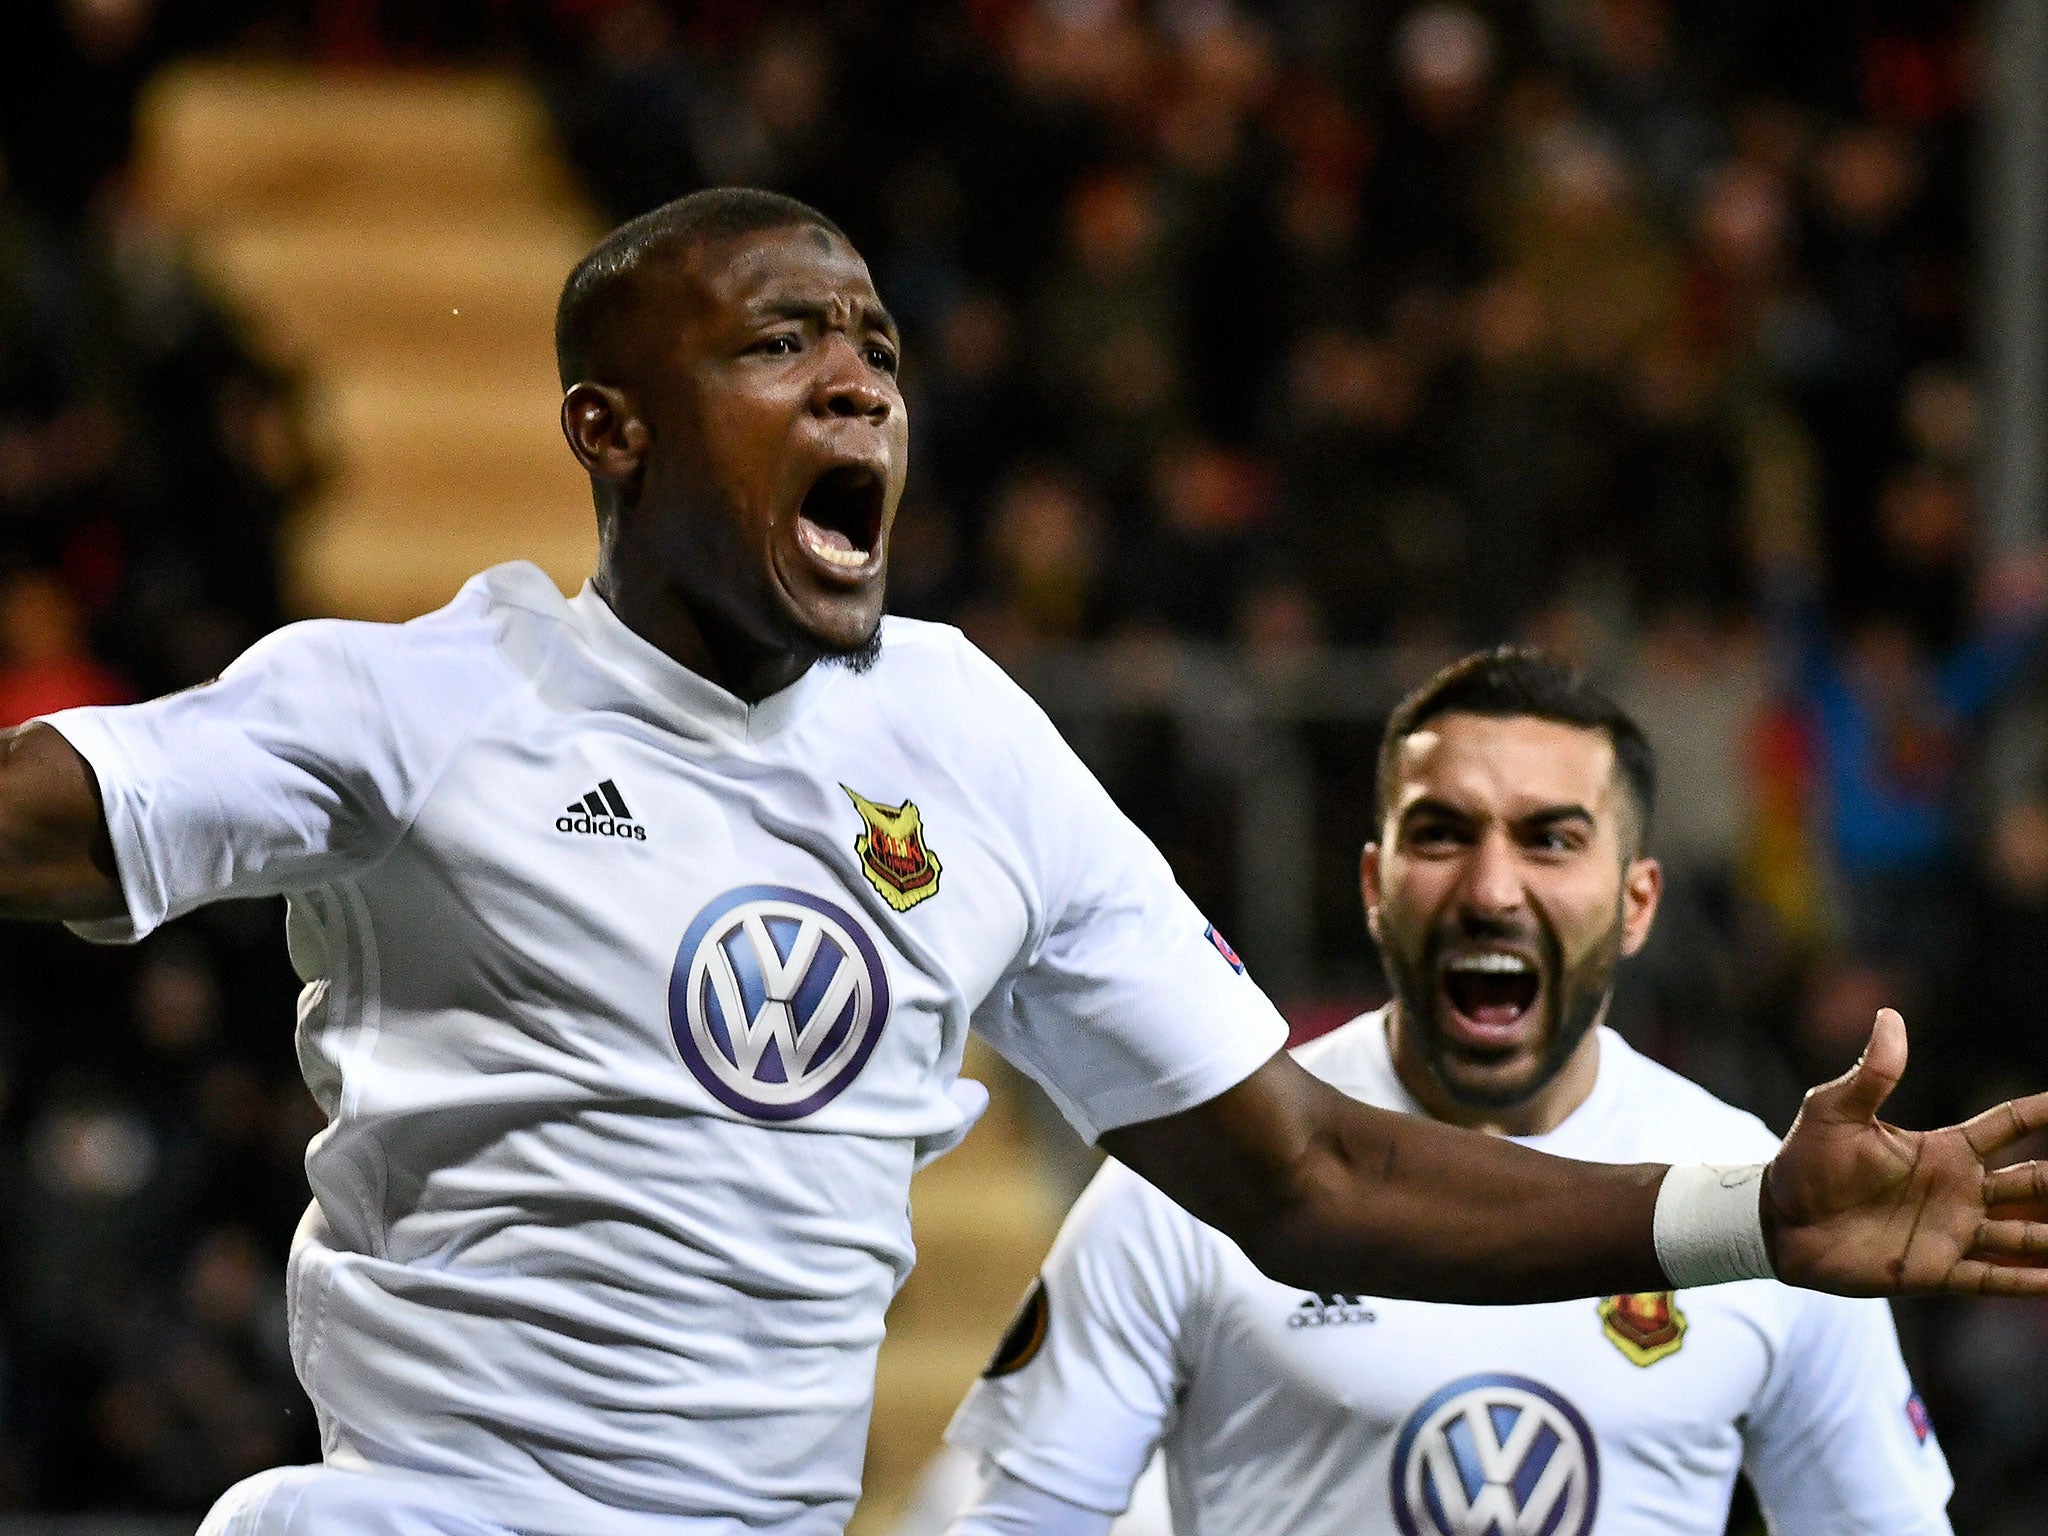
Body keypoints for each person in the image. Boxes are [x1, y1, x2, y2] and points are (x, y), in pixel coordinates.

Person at [0, 189, 2035, 1535]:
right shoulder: (419, 704)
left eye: (873, 339)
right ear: (607, 430)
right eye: (777, 342)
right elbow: (44, 807)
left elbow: (1312, 1174)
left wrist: (1747, 1213)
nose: (857, 377)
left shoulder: (964, 740)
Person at [922, 649, 1954, 1536]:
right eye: (1441, 834)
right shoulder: (1200, 1175)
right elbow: (1020, 1519)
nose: (1491, 889)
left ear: (1636, 903)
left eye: (1549, 839)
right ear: (1372, 887)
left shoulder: (1765, 1202)